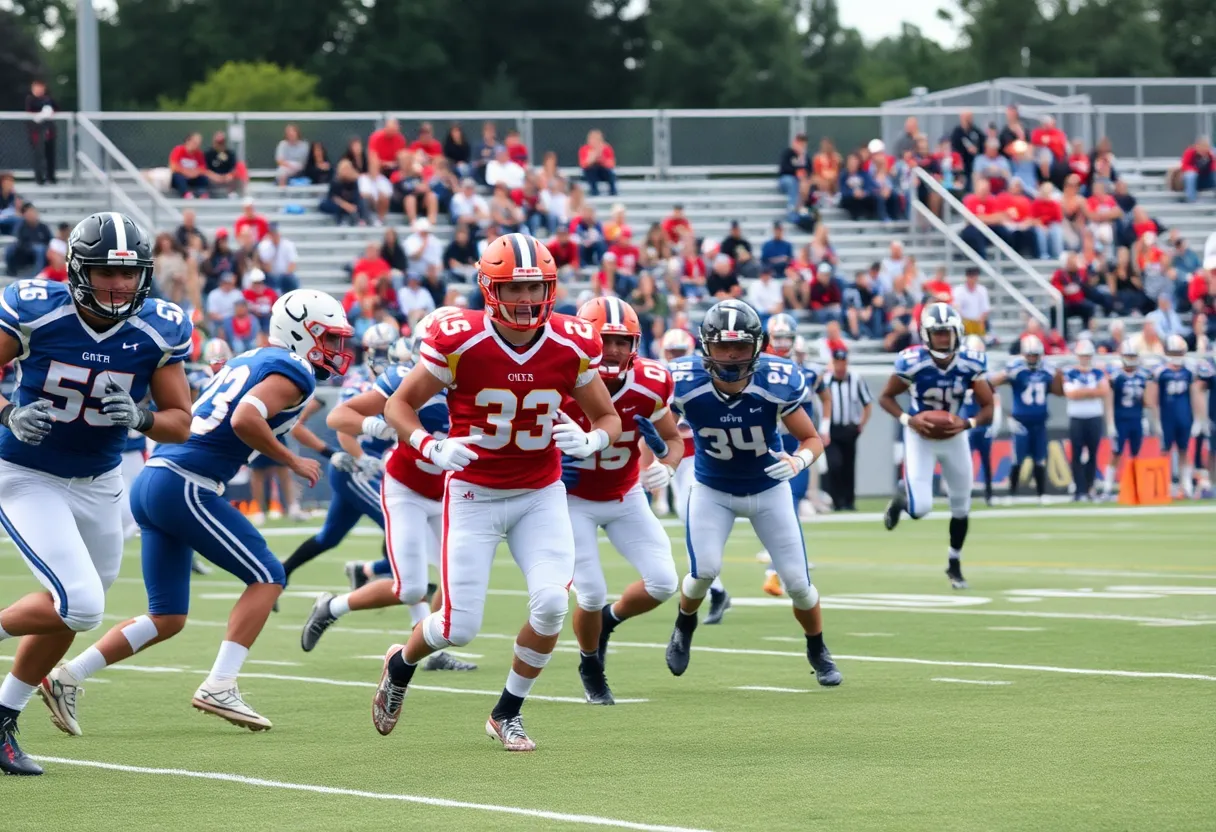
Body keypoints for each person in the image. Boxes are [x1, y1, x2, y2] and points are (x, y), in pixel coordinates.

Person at [40, 291, 352, 739]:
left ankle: (67, 676)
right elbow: (246, 418)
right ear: (300, 333)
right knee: (267, 574)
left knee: (168, 616)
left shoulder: (253, 357)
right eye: (327, 338)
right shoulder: (294, 368)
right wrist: (292, 459)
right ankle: (220, 684)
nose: (335, 350)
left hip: (157, 479)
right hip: (187, 481)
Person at [371, 232, 621, 752]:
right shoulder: (461, 340)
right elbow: (399, 406)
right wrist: (429, 446)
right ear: (490, 289)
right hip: (474, 493)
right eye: (515, 289)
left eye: (536, 287)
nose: (527, 300)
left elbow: (608, 416)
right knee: (458, 628)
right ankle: (401, 663)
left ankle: (507, 712)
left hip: (539, 490)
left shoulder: (573, 342)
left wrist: (593, 437)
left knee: (552, 604)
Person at [0, 213, 194, 776]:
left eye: (130, 273)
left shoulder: (159, 326)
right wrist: (10, 412)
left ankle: (3, 715)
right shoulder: (36, 307)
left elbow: (180, 422)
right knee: (80, 603)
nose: (119, 284)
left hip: (102, 481)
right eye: (107, 271)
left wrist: (140, 416)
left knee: (72, 605)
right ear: (78, 270)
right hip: (27, 474)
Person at [665, 299, 841, 686]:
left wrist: (798, 462)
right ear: (705, 346)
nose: (731, 355)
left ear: (757, 346)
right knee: (703, 572)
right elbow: (663, 430)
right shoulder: (684, 382)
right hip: (712, 488)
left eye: (741, 346)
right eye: (723, 345)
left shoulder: (775, 381)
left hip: (768, 488)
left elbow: (811, 438)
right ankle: (684, 624)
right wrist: (658, 461)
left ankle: (817, 647)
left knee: (798, 584)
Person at [300, 321, 475, 672]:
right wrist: (372, 425)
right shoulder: (404, 378)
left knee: (456, 578)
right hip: (406, 488)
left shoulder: (479, 384)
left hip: (447, 492)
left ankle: (429, 647)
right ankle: (331, 607)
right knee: (410, 589)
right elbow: (339, 415)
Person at [561, 297, 682, 705]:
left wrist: (667, 467)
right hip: (571, 498)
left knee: (665, 582)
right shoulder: (559, 379)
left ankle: (609, 622)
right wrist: (553, 462)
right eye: (605, 338)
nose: (613, 349)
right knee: (590, 593)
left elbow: (675, 440)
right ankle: (590, 662)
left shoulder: (651, 380)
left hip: (625, 492)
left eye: (622, 341)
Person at [878, 304, 994, 590]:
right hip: (921, 437)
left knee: (961, 506)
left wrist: (967, 424)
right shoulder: (912, 361)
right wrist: (909, 419)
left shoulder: (971, 362)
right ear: (926, 335)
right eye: (938, 333)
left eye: (947, 333)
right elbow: (886, 398)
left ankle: (954, 562)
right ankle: (904, 495)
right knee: (920, 509)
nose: (943, 339)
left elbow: (988, 406)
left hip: (955, 437)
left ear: (958, 333)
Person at [988, 334, 1065, 504]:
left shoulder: (1048, 370)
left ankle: (1042, 495)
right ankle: (1011, 494)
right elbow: (992, 382)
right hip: (1021, 422)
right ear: (1023, 354)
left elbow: (1059, 392)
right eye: (1029, 355)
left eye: (1035, 355)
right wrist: (1005, 376)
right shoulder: (1015, 368)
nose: (1032, 358)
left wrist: (1059, 377)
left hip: (1039, 421)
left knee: (1040, 459)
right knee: (1017, 459)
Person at [1102, 340, 1156, 499]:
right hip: (1120, 419)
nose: (1131, 359)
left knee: (1135, 454)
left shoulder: (1143, 375)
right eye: (1129, 355)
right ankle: (1107, 488)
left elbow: (1147, 401)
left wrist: (1146, 417)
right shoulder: (1116, 376)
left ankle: (1133, 487)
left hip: (1136, 419)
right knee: (1116, 453)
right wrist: (1110, 422)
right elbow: (1109, 400)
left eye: (1133, 356)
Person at [823, 347, 872, 512]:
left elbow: (867, 403)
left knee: (849, 466)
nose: (840, 367)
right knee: (834, 465)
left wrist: (861, 424)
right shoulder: (826, 380)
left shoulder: (856, 379)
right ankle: (836, 501)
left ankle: (849, 502)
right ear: (833, 363)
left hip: (850, 429)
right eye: (838, 363)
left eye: (843, 363)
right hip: (832, 429)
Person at [1062, 339, 1109, 501]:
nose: (1085, 359)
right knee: (1076, 454)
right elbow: (1070, 394)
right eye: (1083, 356)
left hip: (1094, 416)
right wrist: (1091, 391)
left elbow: (1104, 390)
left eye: (1087, 356)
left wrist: (1081, 392)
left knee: (1093, 454)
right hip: (1077, 417)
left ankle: (1089, 487)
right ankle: (1078, 489)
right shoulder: (1070, 372)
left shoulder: (1098, 372)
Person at [958, 335, 1002, 505]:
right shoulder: (960, 372)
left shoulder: (986, 375)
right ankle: (962, 494)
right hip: (966, 422)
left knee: (986, 461)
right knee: (963, 463)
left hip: (983, 422)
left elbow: (995, 399)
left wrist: (995, 420)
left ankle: (989, 494)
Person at [1154, 335, 1199, 498]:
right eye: (1174, 352)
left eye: (1179, 352)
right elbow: (1154, 399)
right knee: (1165, 451)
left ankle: (1185, 486)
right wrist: (1156, 419)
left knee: (1184, 450)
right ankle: (1163, 484)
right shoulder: (1161, 371)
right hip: (1167, 417)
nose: (1177, 355)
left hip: (1184, 416)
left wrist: (1198, 419)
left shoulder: (1189, 371)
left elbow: (1195, 395)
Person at [25, 80, 57, 185]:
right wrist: (41, 115)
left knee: (50, 154)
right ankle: (39, 178)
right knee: (38, 154)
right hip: (36, 132)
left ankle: (50, 177)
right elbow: (30, 113)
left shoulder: (49, 99)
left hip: (49, 131)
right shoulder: (30, 100)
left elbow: (55, 109)